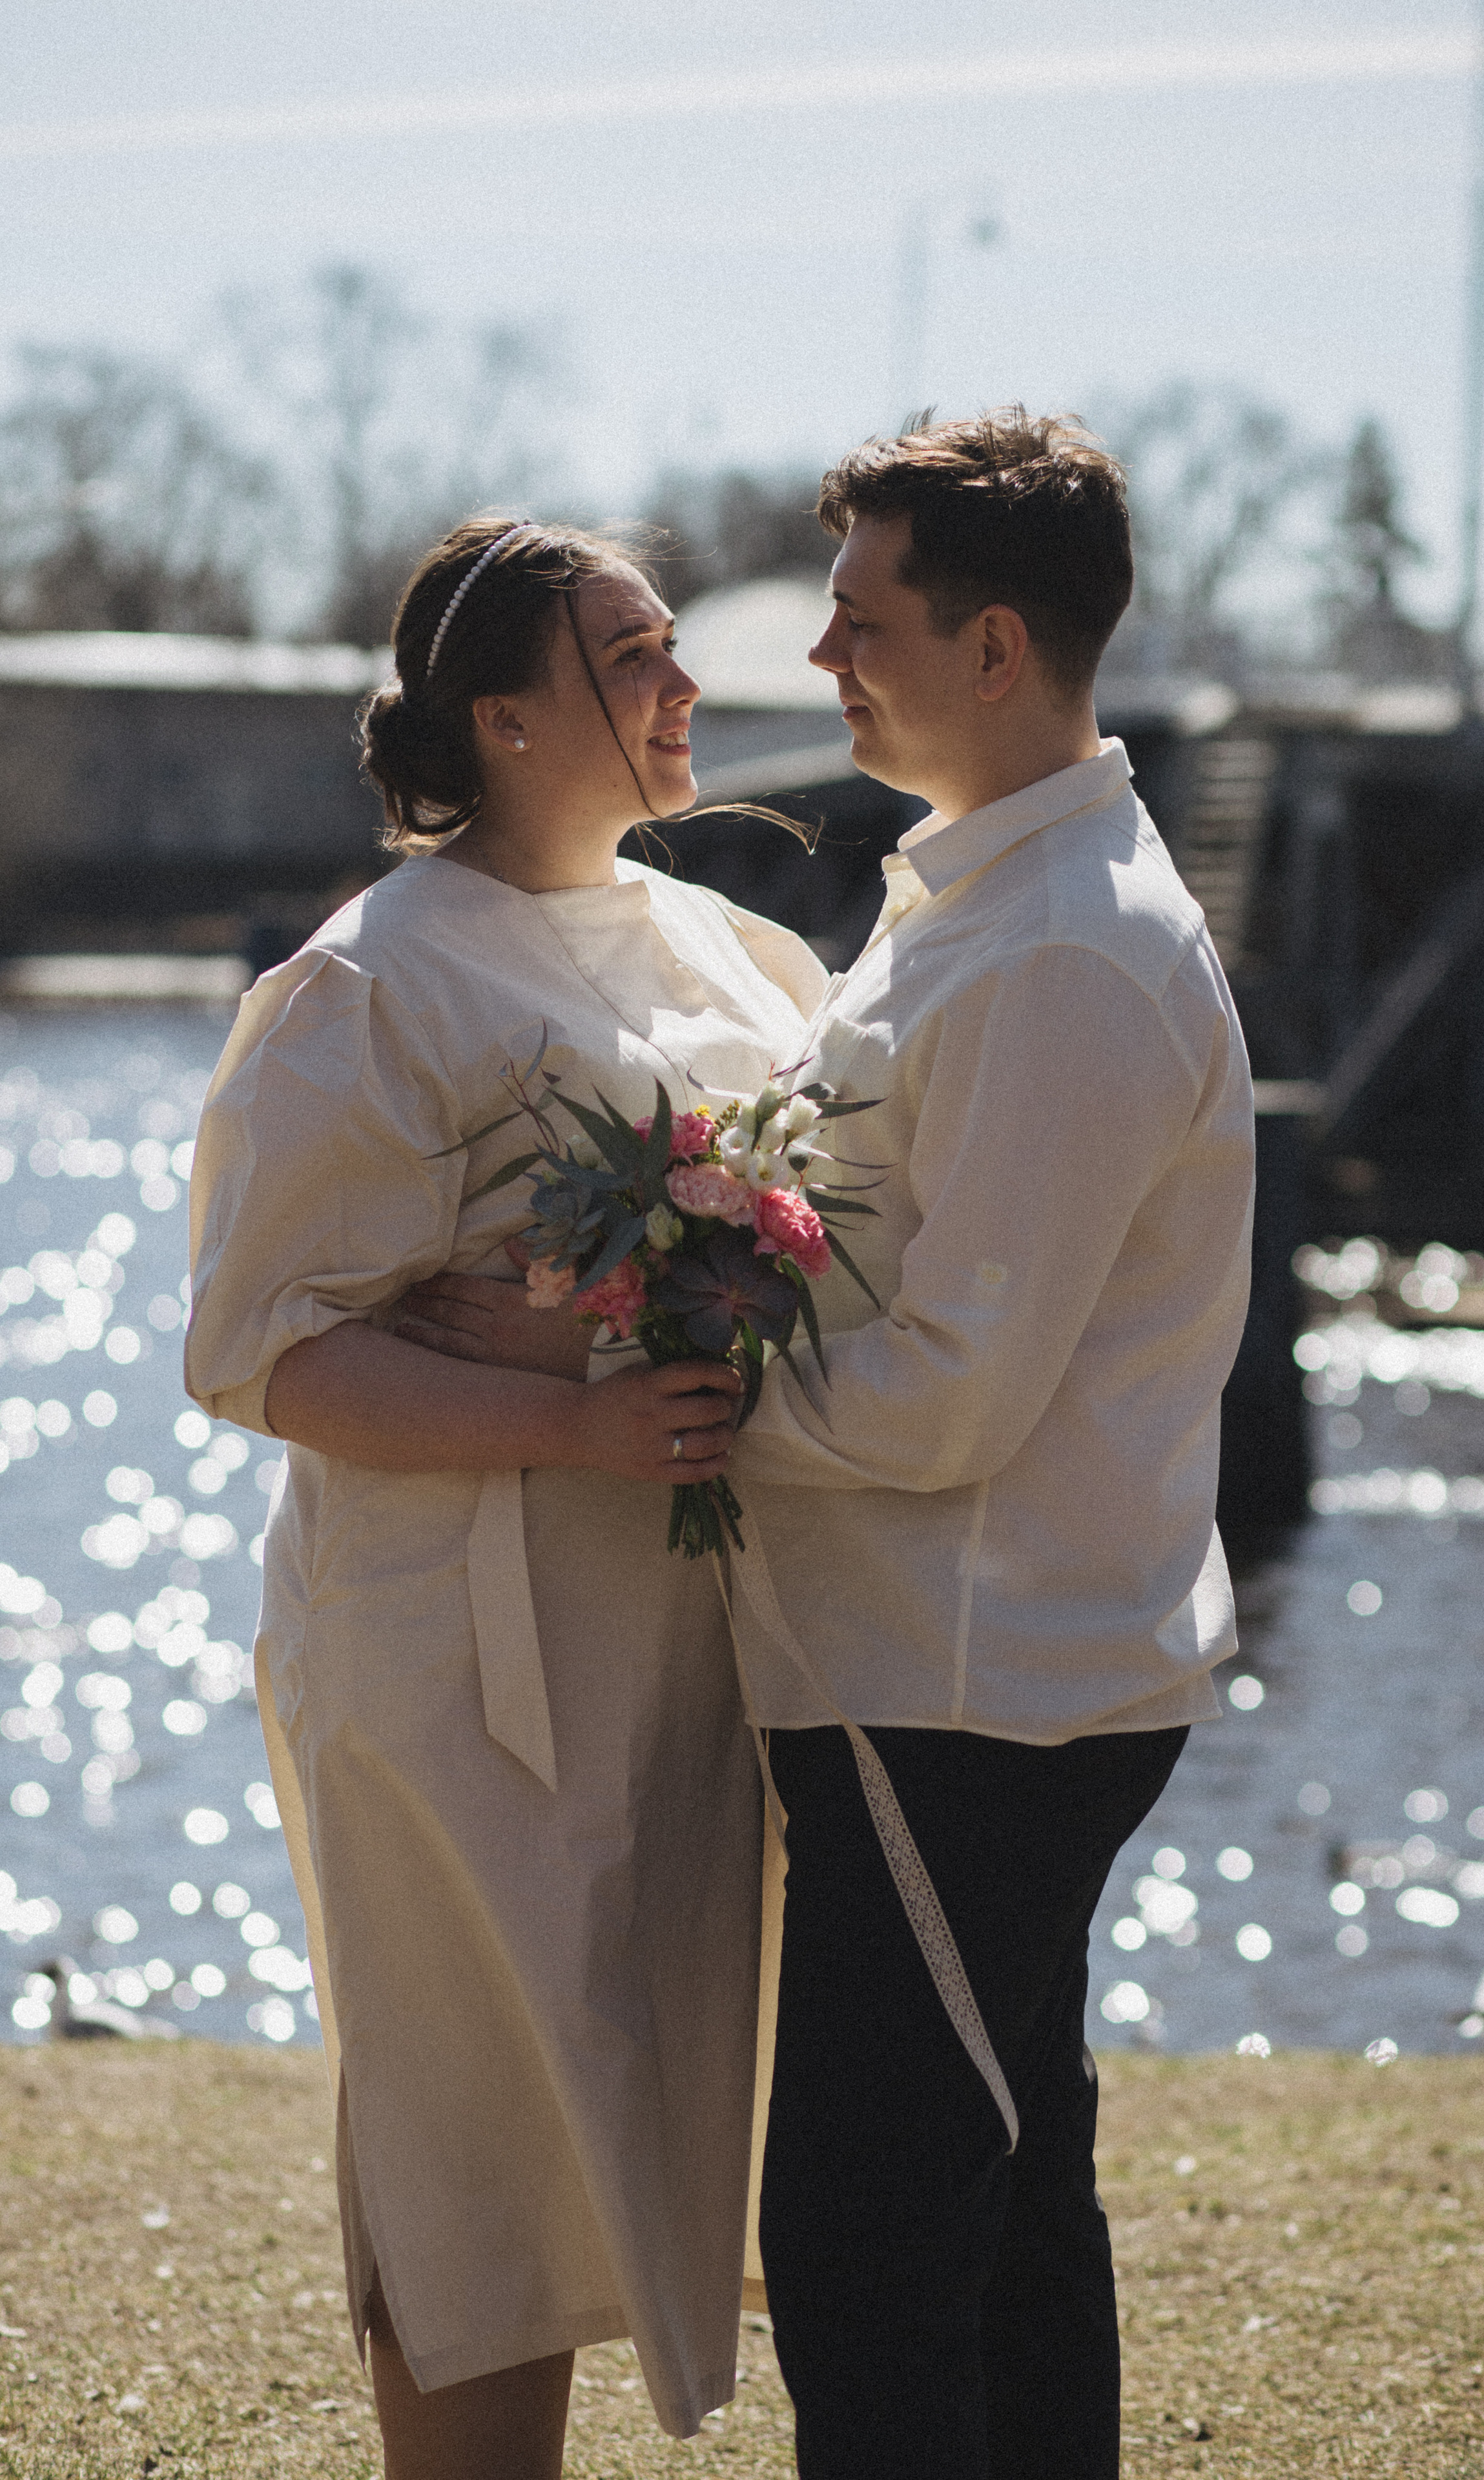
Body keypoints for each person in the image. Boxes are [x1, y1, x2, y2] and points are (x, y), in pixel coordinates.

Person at [184, 515, 826, 2479]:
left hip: (699, 1648)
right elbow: (261, 1350)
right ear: (509, 717)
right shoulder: (366, 989)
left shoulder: (735, 948)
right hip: (459, 1670)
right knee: (480, 2151)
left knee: (670, 2097)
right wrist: (575, 1417)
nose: (686, 683)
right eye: (633, 655)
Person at [723, 410, 1256, 2477]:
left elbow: (952, 1391)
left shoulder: (1059, 951)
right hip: (954, 1679)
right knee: (1005, 2216)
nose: (826, 659)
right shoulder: (981, 901)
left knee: (867, 2245)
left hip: (966, 1699)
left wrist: (688, 1402)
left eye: (863, 619)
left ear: (1000, 644)